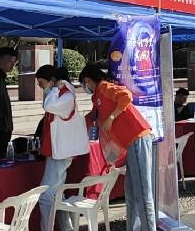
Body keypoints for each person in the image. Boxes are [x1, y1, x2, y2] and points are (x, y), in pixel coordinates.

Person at [79, 64, 156, 231]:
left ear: (88, 80)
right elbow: (92, 117)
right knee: (131, 192)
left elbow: (126, 96)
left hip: (137, 137)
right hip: (130, 143)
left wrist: (112, 117)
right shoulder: (97, 98)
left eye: (84, 84)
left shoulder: (104, 87)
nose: (85, 88)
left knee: (142, 192)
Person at [37, 65, 90, 231]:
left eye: (42, 83)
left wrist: (53, 89)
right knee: (57, 195)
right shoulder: (62, 95)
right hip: (57, 152)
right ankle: (67, 228)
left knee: (45, 196)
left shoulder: (65, 96)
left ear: (52, 81)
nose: (41, 88)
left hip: (60, 154)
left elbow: (48, 106)